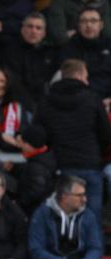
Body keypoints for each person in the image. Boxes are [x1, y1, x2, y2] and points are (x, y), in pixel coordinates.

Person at [37, 59, 111, 223]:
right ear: (78, 75)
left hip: (61, 165)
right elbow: (106, 134)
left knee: (64, 218)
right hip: (89, 164)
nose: (87, 81)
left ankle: (65, 247)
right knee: (92, 219)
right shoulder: (92, 98)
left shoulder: (47, 100)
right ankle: (94, 247)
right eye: (85, 76)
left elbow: (40, 133)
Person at [1, 12, 58, 107]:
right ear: (22, 29)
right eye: (30, 26)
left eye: (38, 28)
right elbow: (14, 83)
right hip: (19, 102)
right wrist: (31, 106)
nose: (33, 31)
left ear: (44, 33)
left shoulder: (51, 52)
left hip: (46, 102)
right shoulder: (11, 50)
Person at [58, 7, 111, 103]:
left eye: (93, 21)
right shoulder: (69, 47)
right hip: (78, 101)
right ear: (79, 25)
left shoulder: (109, 45)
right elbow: (68, 80)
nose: (88, 25)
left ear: (101, 25)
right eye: (84, 21)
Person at [14, 124, 57, 217]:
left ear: (30, 145)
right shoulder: (44, 159)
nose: (20, 146)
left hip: (34, 212)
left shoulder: (36, 165)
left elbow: (36, 188)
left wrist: (18, 203)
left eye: (23, 142)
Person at [47, 0, 111, 46]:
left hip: (98, 48)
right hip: (69, 49)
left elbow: (107, 34)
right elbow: (60, 37)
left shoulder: (103, 3)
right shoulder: (59, 2)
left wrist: (75, 33)